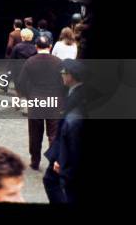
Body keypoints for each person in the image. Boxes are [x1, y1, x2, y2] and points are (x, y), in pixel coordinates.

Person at [17, 36, 65, 170]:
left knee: (35, 133)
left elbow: (21, 83)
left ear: (36, 47)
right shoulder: (58, 62)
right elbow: (64, 83)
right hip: (54, 100)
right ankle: (53, 161)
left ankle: (35, 160)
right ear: (50, 47)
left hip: (36, 100)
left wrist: (29, 95)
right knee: (54, 133)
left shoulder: (30, 62)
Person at [43, 59, 87, 203]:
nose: (61, 75)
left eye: (63, 72)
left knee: (61, 185)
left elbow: (74, 133)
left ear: (71, 76)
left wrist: (62, 159)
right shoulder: (75, 91)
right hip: (63, 146)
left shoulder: (77, 98)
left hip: (66, 150)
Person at [9, 28, 38, 99]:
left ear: (22, 36)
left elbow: (12, 59)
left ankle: (17, 103)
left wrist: (10, 69)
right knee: (28, 89)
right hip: (29, 71)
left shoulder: (17, 47)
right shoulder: (34, 48)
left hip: (18, 71)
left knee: (17, 89)